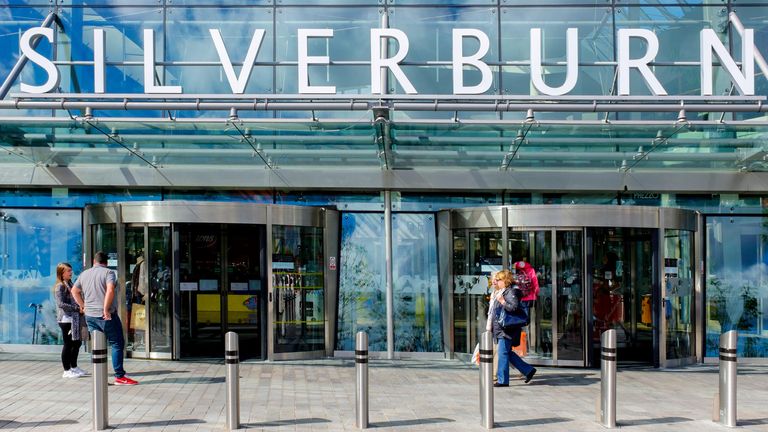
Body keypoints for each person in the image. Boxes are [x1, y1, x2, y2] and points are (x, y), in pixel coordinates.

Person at [71, 251, 138, 385]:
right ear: (106, 262)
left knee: (97, 346)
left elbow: (74, 291)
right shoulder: (109, 273)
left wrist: (83, 306)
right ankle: (120, 376)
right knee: (117, 343)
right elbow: (110, 290)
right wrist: (106, 309)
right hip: (106, 315)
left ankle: (99, 376)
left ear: (94, 262)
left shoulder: (84, 274)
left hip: (90, 316)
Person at [489, 269, 536, 387]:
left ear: (505, 280)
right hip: (501, 329)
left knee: (503, 354)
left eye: (498, 280)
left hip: (507, 329)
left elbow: (513, 308)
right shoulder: (502, 292)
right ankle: (528, 370)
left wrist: (503, 302)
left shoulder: (510, 292)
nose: (496, 282)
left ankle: (502, 380)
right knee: (506, 353)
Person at [54, 262, 88, 378]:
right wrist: (77, 308)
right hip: (66, 319)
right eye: (68, 271)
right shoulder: (60, 286)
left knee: (77, 343)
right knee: (68, 344)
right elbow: (61, 304)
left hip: (74, 318)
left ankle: (74, 366)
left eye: (71, 270)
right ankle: (66, 370)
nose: (71, 272)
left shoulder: (70, 283)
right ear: (62, 273)